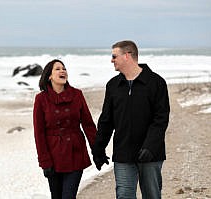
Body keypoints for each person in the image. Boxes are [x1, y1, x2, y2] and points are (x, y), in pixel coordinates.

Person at [92, 40, 170, 199]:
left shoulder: (156, 83)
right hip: (123, 153)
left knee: (152, 195)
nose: (111, 60)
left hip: (150, 154)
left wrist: (150, 146)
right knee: (124, 195)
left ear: (127, 56)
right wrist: (98, 150)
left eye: (114, 56)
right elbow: (106, 121)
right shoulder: (113, 85)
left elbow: (160, 119)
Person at [33, 59, 96, 199]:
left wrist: (97, 150)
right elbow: (39, 133)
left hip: (75, 153)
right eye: (58, 69)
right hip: (53, 156)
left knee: (68, 196)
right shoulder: (41, 99)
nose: (63, 71)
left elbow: (88, 125)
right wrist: (44, 162)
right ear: (49, 76)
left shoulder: (77, 95)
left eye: (64, 68)